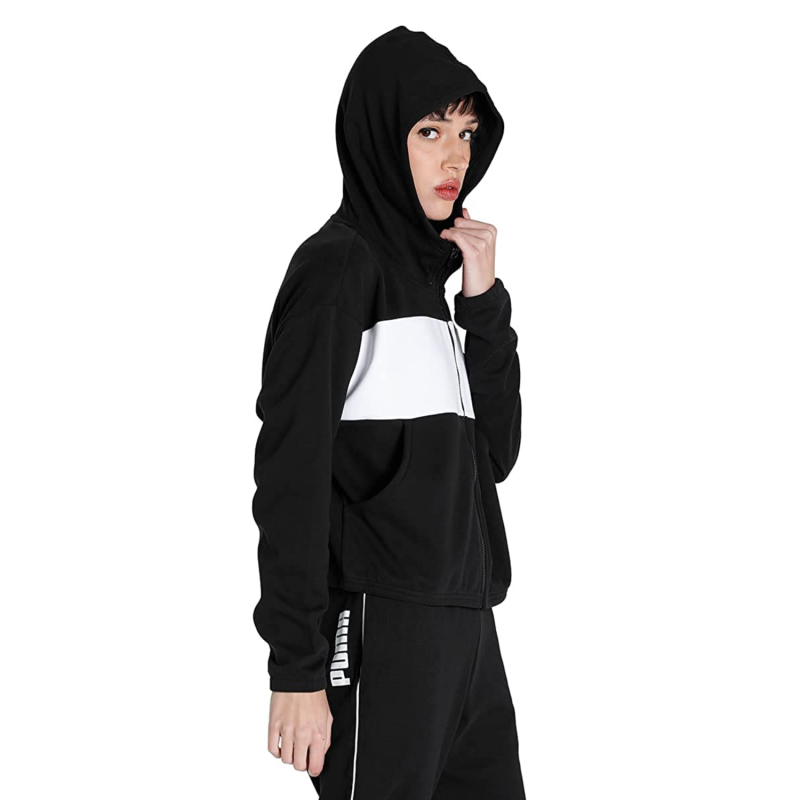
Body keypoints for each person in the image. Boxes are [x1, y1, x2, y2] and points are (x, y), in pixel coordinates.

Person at [252, 25, 525, 799]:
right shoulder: (339, 270)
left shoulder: (434, 290)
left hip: (468, 629)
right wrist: (298, 669)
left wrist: (482, 305)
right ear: (378, 135)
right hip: (382, 627)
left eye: (466, 132)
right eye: (430, 131)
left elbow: (494, 458)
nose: (455, 157)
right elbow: (291, 477)